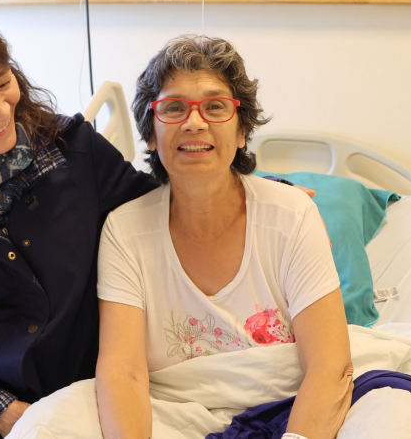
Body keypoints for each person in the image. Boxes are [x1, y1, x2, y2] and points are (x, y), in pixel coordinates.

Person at [0, 5, 316, 439]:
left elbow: (159, 200)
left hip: (63, 403)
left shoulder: (71, 150)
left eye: (2, 82)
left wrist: (260, 193)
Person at [96, 35, 353, 439]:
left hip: (292, 407)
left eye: (215, 107)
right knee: (53, 419)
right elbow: (123, 371)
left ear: (241, 131)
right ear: (151, 134)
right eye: (173, 108)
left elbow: (329, 366)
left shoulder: (291, 216)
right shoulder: (125, 231)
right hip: (174, 415)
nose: (194, 122)